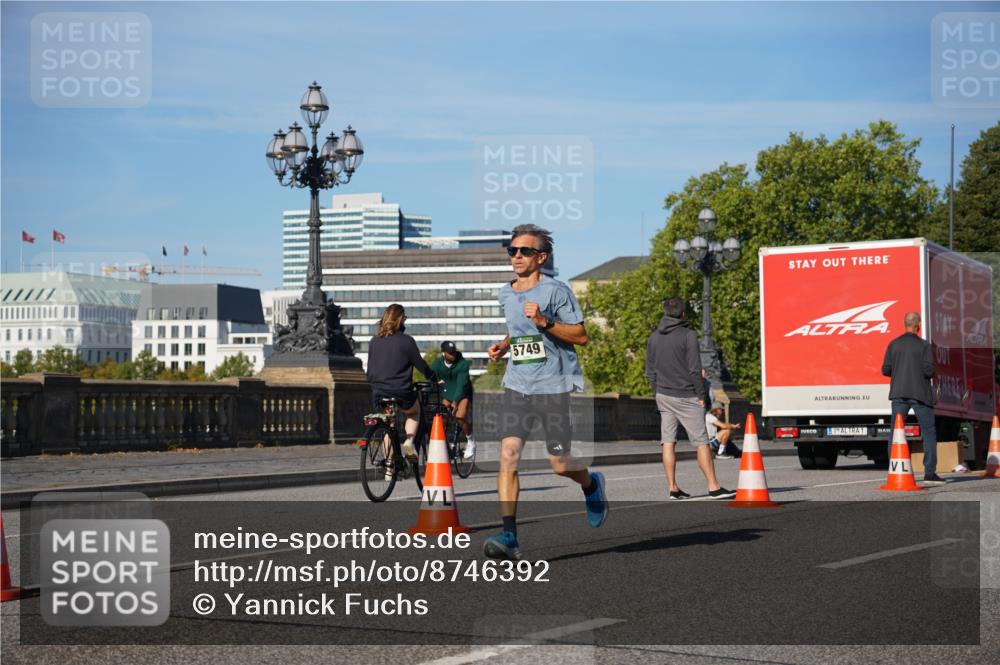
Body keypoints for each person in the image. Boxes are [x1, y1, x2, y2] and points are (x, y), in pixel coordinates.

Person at [483, 224, 608, 560]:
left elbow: (581, 336)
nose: (516, 256)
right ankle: (509, 536)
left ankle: (591, 484)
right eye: (512, 251)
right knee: (508, 456)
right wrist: (503, 346)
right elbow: (517, 331)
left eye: (524, 251)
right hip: (516, 385)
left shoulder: (557, 292)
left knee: (560, 464)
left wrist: (545, 322)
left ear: (541, 257)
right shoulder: (506, 293)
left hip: (552, 387)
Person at [645, 297, 736, 500]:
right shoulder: (688, 335)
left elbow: (649, 371)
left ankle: (673, 488)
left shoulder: (654, 337)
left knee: (668, 442)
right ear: (683, 314)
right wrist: (701, 395)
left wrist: (656, 392)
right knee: (702, 442)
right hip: (687, 395)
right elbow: (695, 369)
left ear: (665, 313)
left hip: (663, 395)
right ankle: (714, 487)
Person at [366, 304, 438, 458]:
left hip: (379, 391)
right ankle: (409, 442)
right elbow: (421, 365)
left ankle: (388, 467)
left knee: (388, 424)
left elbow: (370, 369)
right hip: (400, 390)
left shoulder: (374, 341)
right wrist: (434, 378)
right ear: (401, 319)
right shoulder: (407, 341)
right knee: (414, 412)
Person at [881, 311, 943, 484]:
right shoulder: (924, 346)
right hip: (920, 394)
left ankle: (894, 468)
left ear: (905, 324)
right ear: (918, 326)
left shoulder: (893, 344)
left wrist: (900, 371)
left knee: (895, 432)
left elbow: (885, 370)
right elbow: (929, 371)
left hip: (898, 394)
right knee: (928, 432)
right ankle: (929, 473)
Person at [431, 340, 476, 459]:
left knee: (460, 416)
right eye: (450, 353)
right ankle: (446, 447)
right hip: (447, 394)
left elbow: (461, 385)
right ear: (444, 353)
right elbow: (431, 377)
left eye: (454, 352)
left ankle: (470, 440)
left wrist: (455, 402)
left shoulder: (463, 364)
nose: (453, 355)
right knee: (441, 420)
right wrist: (432, 384)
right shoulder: (437, 363)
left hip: (463, 393)